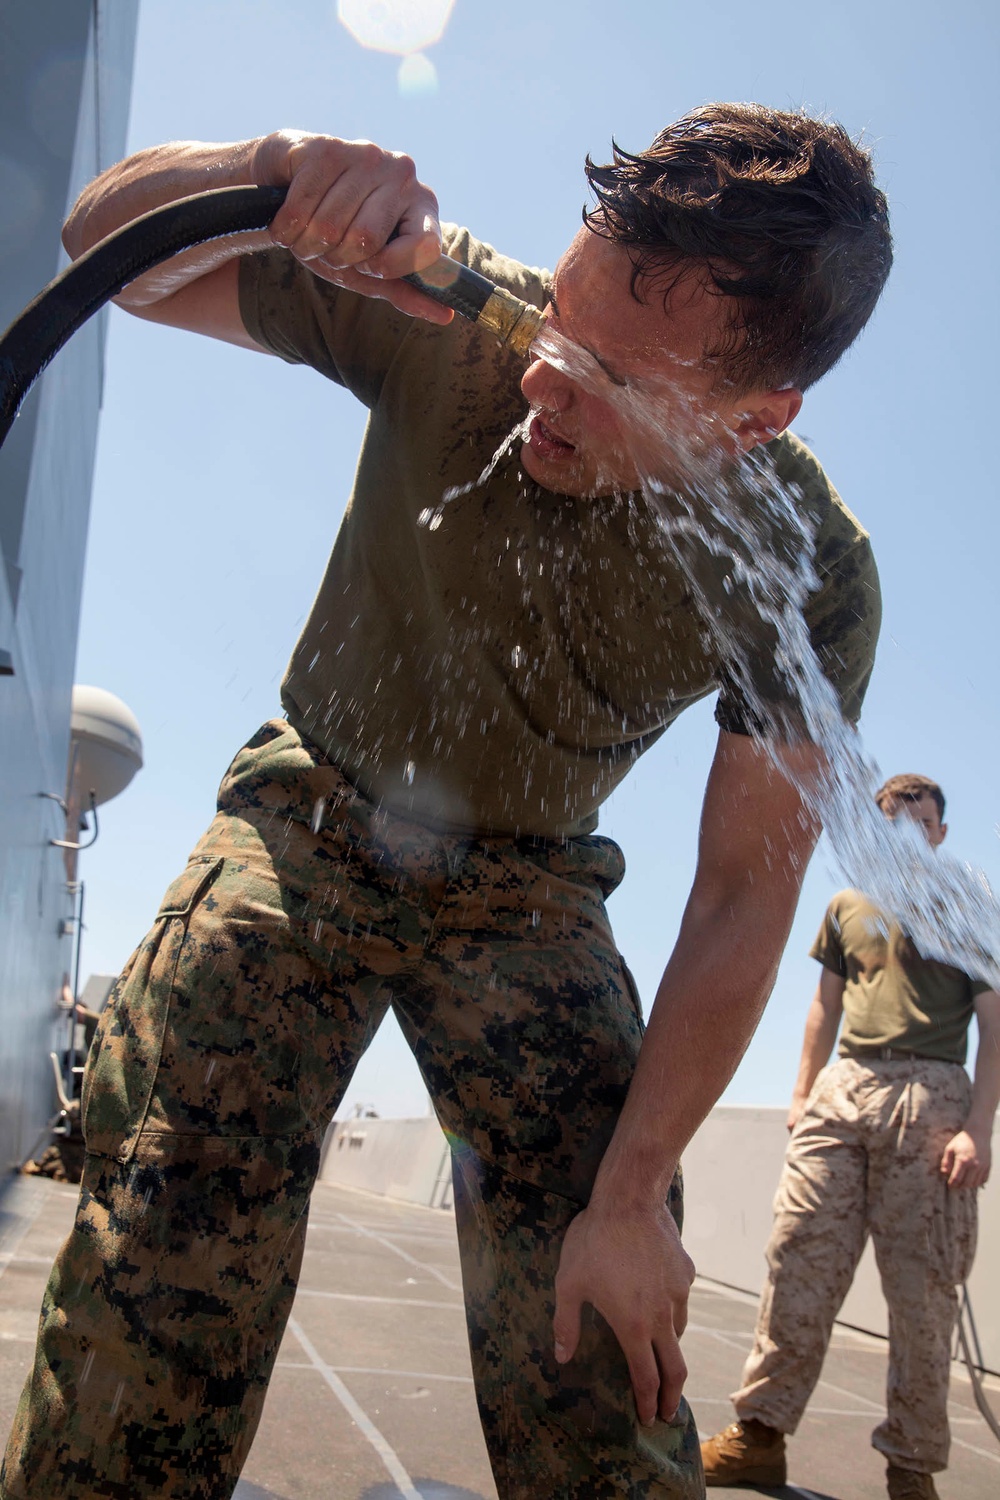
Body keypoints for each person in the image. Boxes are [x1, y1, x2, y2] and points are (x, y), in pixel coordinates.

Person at [2, 104, 891, 1499]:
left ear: (752, 423)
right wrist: (268, 175)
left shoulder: (803, 575)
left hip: (530, 887)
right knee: (171, 1219)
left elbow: (737, 897)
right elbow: (104, 247)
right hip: (314, 806)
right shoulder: (452, 308)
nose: (545, 375)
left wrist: (626, 1194)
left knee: (609, 1327)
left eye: (610, 375)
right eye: (562, 317)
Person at [700, 773, 1000, 1500]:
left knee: (921, 1291)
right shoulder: (845, 905)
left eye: (918, 822)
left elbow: (996, 1023)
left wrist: (978, 1130)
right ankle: (760, 1436)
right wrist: (803, 1094)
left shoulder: (969, 903)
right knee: (797, 1257)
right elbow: (823, 1005)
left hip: (930, 1096)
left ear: (939, 832)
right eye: (890, 821)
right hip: (844, 1089)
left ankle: (911, 1468)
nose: (905, 835)